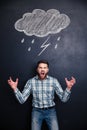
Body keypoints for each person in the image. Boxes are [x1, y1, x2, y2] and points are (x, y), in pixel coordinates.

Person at [7, 60, 76, 130]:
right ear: (37, 69)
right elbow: (22, 100)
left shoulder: (54, 81)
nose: (42, 69)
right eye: (40, 67)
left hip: (51, 112)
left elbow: (63, 99)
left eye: (45, 67)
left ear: (47, 70)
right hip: (36, 112)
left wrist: (68, 87)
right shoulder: (31, 82)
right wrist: (15, 88)